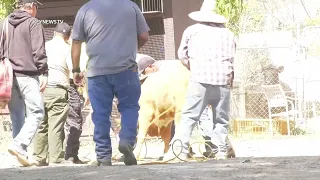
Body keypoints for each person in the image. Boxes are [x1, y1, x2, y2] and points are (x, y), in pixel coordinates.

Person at [71, 0, 149, 166]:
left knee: (100, 113)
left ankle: (103, 156)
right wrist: (131, 50)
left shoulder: (85, 9)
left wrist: (75, 70)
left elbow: (76, 42)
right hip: (127, 69)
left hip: (97, 72)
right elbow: (144, 36)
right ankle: (126, 141)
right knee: (129, 107)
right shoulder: (131, 6)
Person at [163, 0, 236, 162]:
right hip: (223, 81)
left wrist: (193, 67)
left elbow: (182, 54)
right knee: (221, 119)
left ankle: (181, 151)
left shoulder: (192, 31)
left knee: (189, 116)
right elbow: (231, 58)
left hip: (200, 80)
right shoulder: (229, 34)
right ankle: (222, 152)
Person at [0, 0, 48, 167]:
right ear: (31, 7)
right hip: (28, 74)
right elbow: (38, 51)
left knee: (17, 116)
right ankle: (19, 144)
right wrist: (44, 72)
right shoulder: (33, 22)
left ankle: (19, 157)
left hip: (9, 76)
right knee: (36, 112)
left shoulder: (4, 23)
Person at [32, 22, 72, 166]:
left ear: (55, 33)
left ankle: (39, 157)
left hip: (40, 88)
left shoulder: (44, 46)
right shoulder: (67, 48)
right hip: (58, 89)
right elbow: (73, 70)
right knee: (55, 125)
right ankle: (56, 158)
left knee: (41, 123)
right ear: (68, 36)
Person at [63, 32, 89, 164]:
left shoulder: (70, 47)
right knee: (75, 120)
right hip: (73, 85)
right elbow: (83, 71)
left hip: (69, 85)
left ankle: (70, 154)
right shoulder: (80, 48)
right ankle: (70, 155)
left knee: (73, 120)